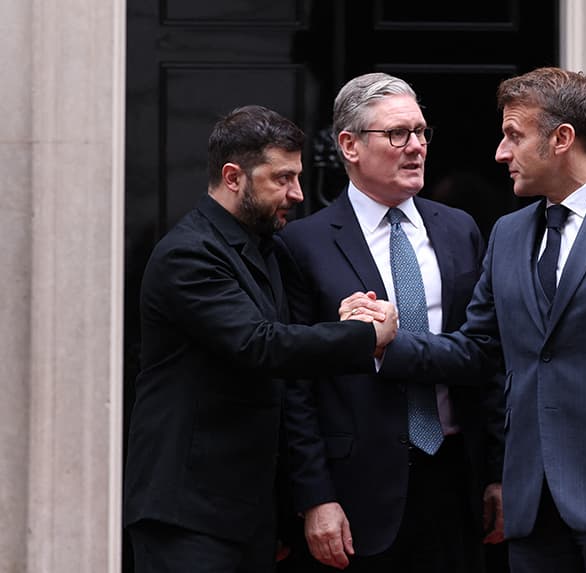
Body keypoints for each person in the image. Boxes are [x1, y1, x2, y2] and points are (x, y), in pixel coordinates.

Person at [345, 67, 586, 573]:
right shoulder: (507, 234)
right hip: (532, 503)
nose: (500, 153)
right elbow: (478, 349)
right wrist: (387, 343)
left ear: (562, 139)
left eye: (514, 135)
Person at [123, 105, 397, 573]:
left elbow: (285, 343)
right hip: (188, 514)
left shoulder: (265, 246)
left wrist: (347, 316)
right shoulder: (189, 255)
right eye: (282, 179)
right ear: (233, 177)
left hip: (245, 514)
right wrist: (362, 336)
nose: (297, 193)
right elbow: (260, 345)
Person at [273, 73, 505, 573]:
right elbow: (295, 385)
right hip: (355, 492)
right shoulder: (303, 245)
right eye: (397, 134)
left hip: (455, 479)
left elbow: (489, 356)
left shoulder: (459, 229)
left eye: (421, 132)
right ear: (350, 145)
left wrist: (497, 472)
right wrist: (314, 497)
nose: (416, 147)